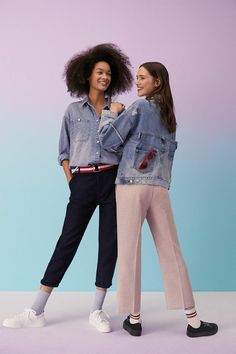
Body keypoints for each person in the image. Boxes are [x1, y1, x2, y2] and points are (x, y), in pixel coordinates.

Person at [3, 43, 133, 332]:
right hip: (83, 180)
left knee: (109, 244)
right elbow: (63, 152)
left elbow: (124, 148)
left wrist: (116, 114)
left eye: (109, 73)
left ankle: (97, 311)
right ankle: (36, 310)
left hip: (113, 180)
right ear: (87, 75)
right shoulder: (72, 111)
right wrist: (73, 182)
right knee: (67, 242)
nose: (105, 77)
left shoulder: (118, 110)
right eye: (100, 72)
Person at [99, 62, 218, 337]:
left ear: (157, 82)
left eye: (142, 78)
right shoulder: (170, 117)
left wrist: (109, 112)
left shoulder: (138, 107)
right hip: (159, 188)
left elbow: (107, 141)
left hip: (131, 185)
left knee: (130, 251)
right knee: (171, 251)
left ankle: (135, 319)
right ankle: (194, 321)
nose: (137, 83)